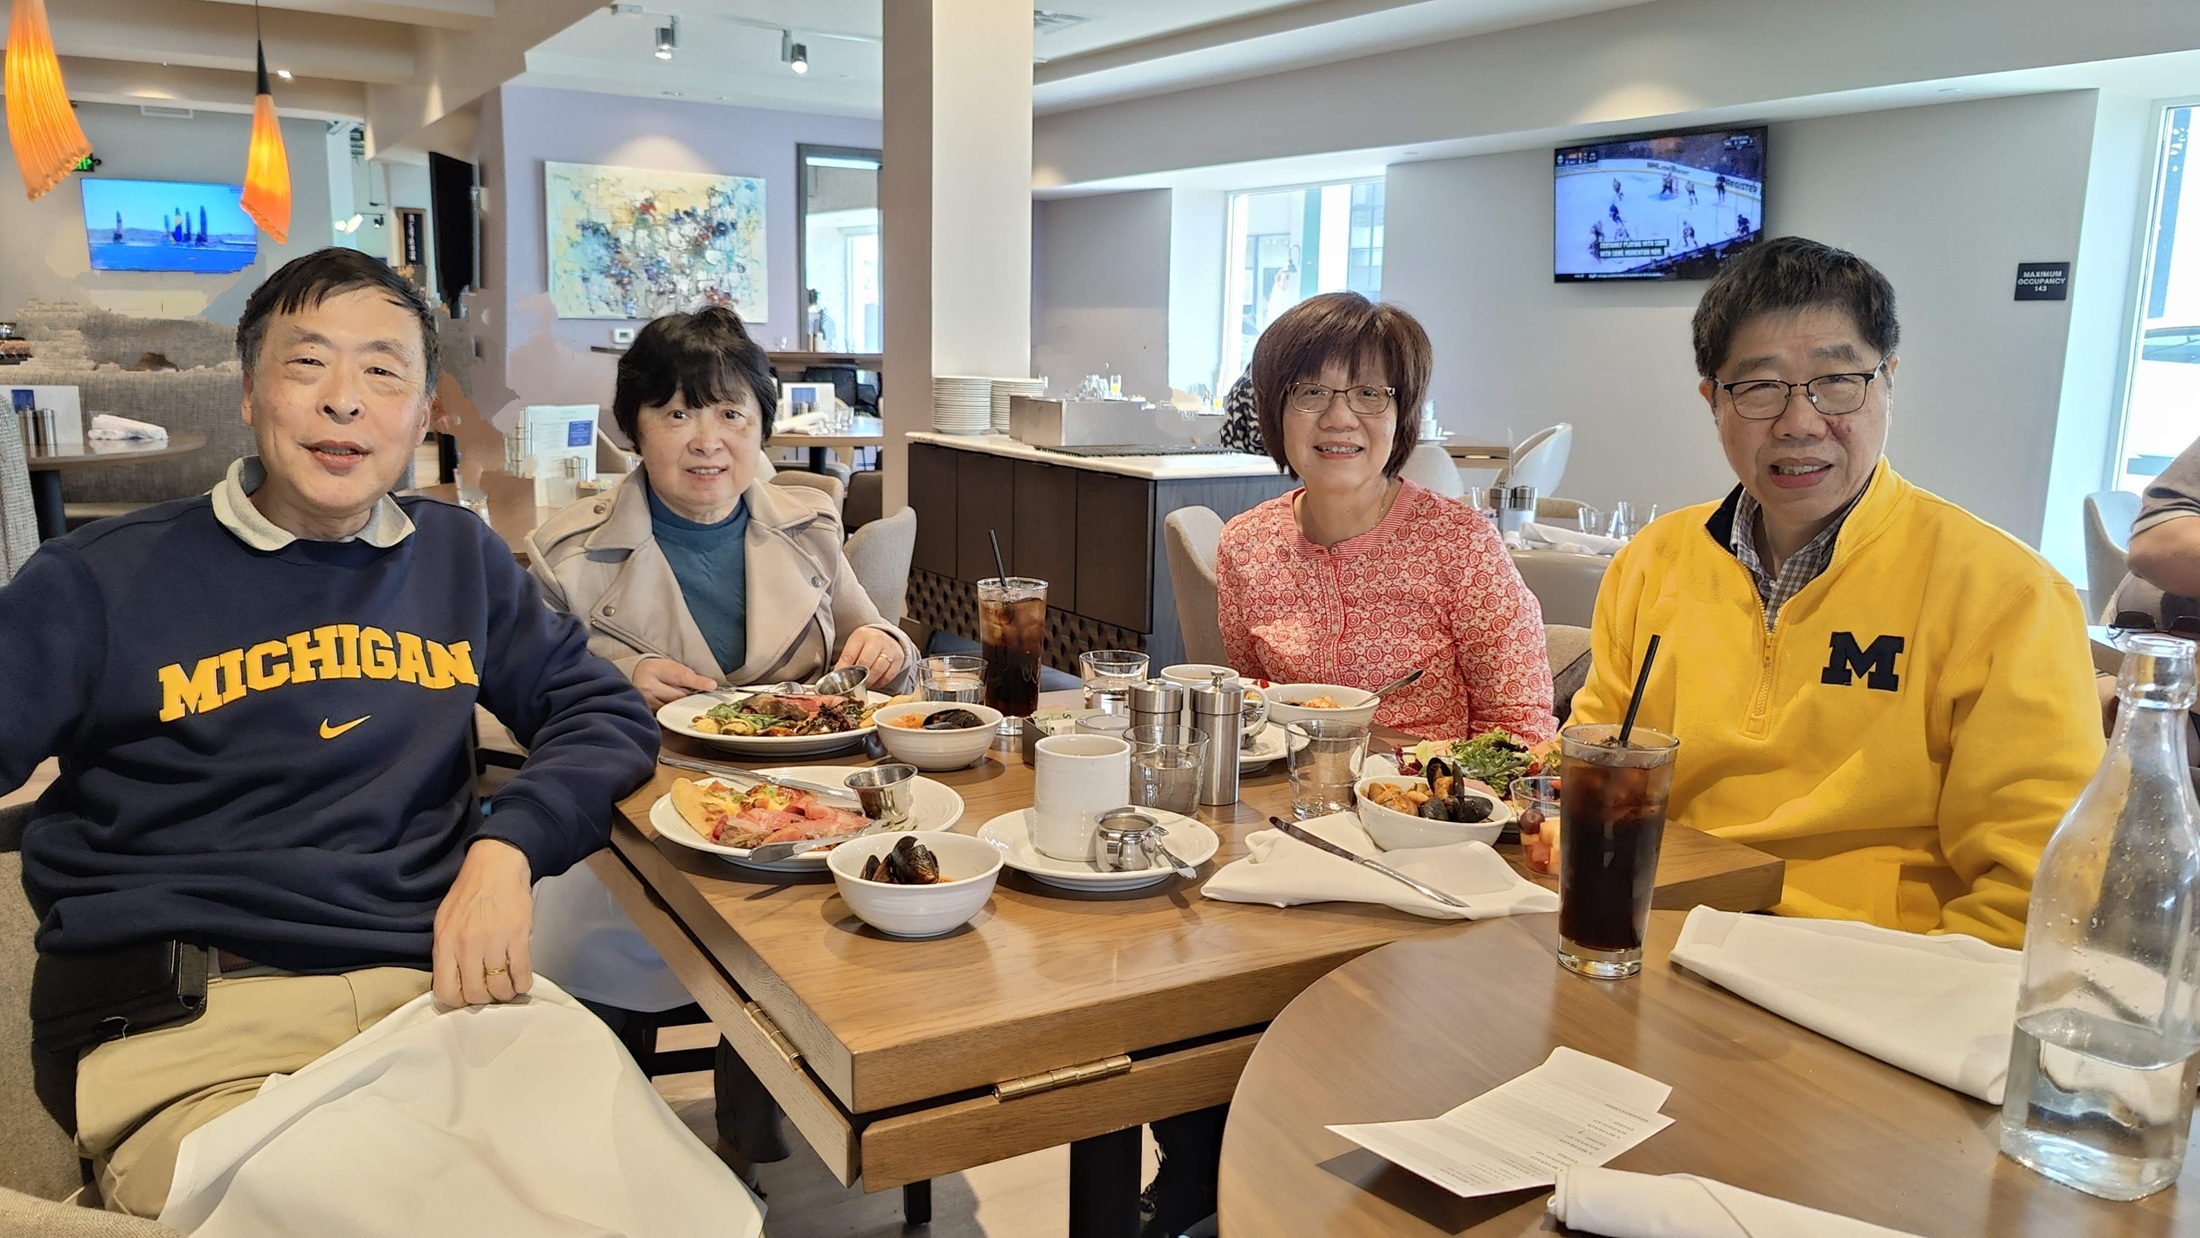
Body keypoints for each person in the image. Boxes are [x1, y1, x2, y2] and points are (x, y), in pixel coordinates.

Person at [0, 248, 672, 1217]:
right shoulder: (97, 580)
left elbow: (600, 709)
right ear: (249, 393)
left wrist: (507, 850)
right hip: (191, 1028)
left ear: (422, 411)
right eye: (307, 363)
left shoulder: (459, 559)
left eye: (383, 371)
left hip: (435, 1002)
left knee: (652, 1200)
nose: (344, 400)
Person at [1571, 236, 2102, 949]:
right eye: (1760, 388)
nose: (1799, 422)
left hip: (1876, 967)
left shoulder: (2007, 594)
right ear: (1713, 402)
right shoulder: (1654, 560)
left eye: (1837, 381)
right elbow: (1596, 773)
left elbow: (2038, 888)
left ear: (1889, 382)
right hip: (1661, 935)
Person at [524, 304, 917, 1162]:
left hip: (804, 827)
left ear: (762, 426)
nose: (708, 441)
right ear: (634, 427)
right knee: (583, 966)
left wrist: (887, 646)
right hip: (636, 836)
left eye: (732, 413)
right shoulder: (567, 554)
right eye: (677, 413)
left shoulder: (810, 526)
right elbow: (524, 708)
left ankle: (761, 1106)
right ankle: (609, 1155)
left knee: (862, 924)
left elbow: (884, 643)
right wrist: (617, 681)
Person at [1215, 291, 1555, 742]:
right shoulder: (1245, 543)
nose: (1339, 418)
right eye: (1311, 392)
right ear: (1275, 411)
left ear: (1402, 415)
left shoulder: (1461, 544)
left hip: (1430, 784)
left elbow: (1519, 726)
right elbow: (1252, 701)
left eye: (1369, 394)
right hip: (1292, 783)